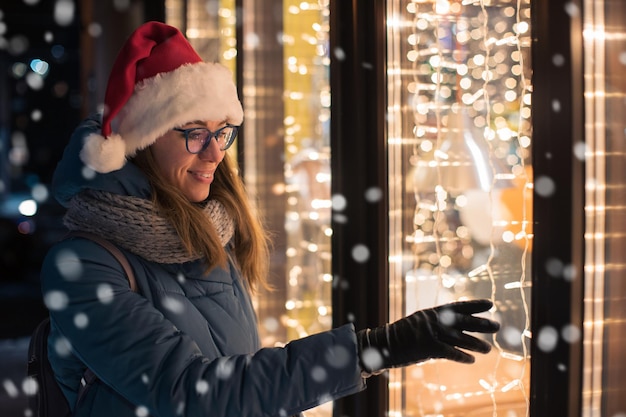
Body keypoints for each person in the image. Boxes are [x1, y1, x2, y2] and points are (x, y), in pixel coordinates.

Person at [40, 21, 500, 417]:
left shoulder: (209, 231)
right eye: (194, 133)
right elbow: (189, 393)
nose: (216, 151)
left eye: (223, 131)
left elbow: (238, 376)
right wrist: (372, 348)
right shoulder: (81, 267)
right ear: (143, 140)